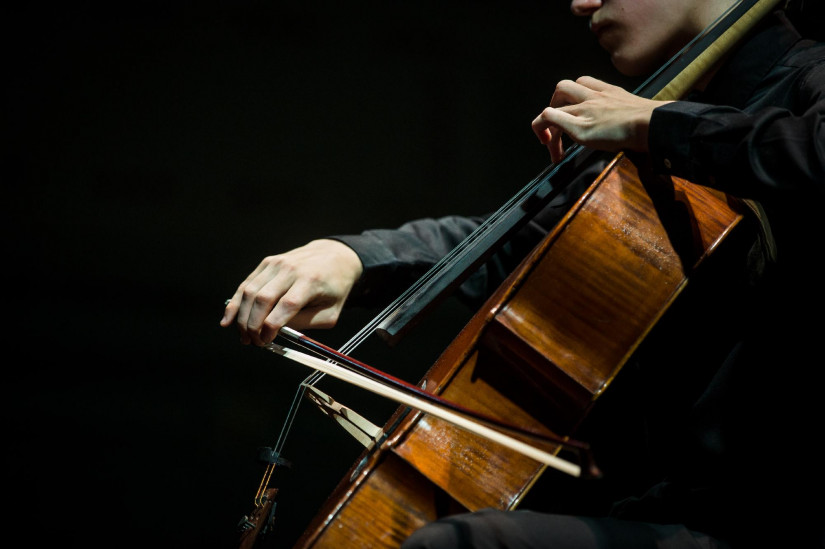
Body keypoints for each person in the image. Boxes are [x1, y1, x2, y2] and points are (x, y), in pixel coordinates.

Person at [221, 0, 825, 547]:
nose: (580, 1)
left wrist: (657, 125)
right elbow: (530, 243)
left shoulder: (804, 79)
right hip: (655, 511)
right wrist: (354, 257)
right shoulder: (657, 120)